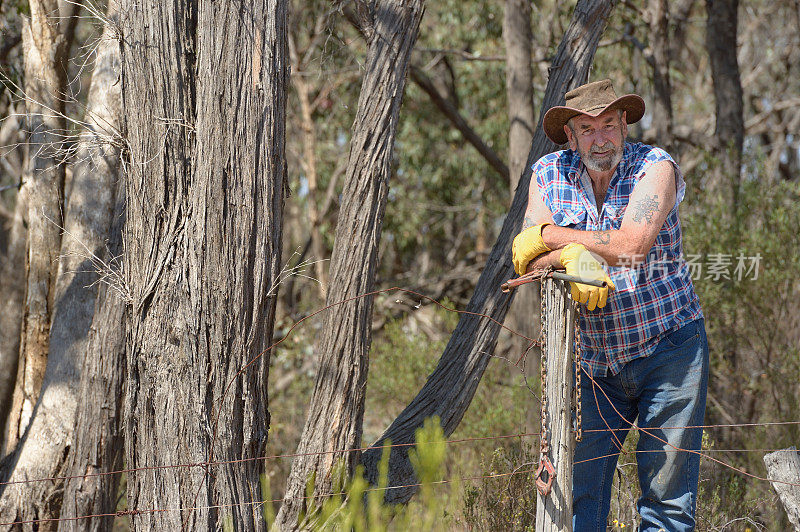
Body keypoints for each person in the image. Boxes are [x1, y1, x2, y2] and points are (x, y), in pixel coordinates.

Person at [511, 79, 708, 531]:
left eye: (609, 125)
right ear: (571, 136)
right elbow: (527, 257)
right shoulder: (548, 173)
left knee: (667, 503)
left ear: (624, 125)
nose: (600, 138)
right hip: (593, 364)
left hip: (670, 349)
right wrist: (567, 256)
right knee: (581, 499)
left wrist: (551, 238)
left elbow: (633, 244)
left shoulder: (654, 167)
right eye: (587, 127)